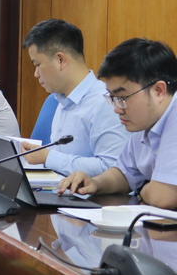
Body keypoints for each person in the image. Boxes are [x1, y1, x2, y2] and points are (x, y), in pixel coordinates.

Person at [58, 38, 177, 210]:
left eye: (122, 98)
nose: (117, 109)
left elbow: (164, 197)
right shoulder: (143, 120)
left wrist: (141, 189)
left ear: (159, 91)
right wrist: (95, 183)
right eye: (112, 98)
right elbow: (125, 173)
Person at [20, 19, 129, 175]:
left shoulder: (105, 102)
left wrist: (48, 157)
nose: (36, 74)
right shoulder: (60, 100)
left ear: (60, 60)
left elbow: (113, 169)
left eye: (37, 65)